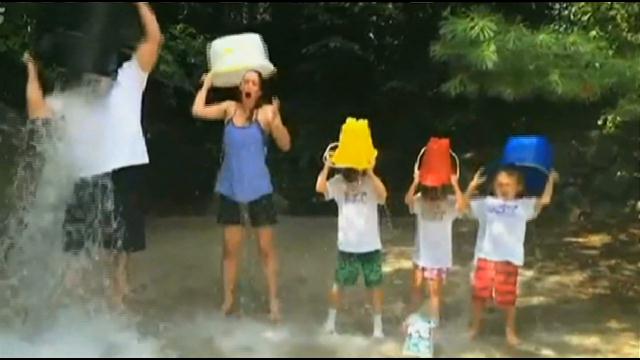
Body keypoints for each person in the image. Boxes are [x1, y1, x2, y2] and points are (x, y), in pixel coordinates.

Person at [24, 2, 163, 307]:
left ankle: (119, 289)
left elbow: (154, 39)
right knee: (74, 242)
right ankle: (75, 291)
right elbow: (37, 113)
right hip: (85, 173)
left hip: (125, 165)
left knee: (122, 242)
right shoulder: (69, 95)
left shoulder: (130, 76)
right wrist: (32, 71)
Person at [191, 69, 291, 321]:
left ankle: (274, 302)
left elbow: (286, 144)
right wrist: (207, 85)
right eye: (245, 81)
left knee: (266, 250)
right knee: (230, 251)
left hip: (260, 190)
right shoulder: (228, 109)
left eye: (253, 83)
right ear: (241, 88)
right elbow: (197, 111)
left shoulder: (267, 113)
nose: (248, 85)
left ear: (258, 90)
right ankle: (229, 300)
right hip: (230, 189)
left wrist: (277, 122)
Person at [462, 166, 559, 346]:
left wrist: (550, 179)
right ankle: (475, 327)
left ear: (518, 188)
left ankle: (510, 331)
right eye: (499, 184)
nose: (503, 188)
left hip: (509, 258)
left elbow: (544, 200)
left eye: (508, 185)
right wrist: (472, 186)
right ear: (493, 186)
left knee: (508, 298)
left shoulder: (524, 205)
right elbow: (462, 206)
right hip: (486, 256)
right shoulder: (487, 203)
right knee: (479, 295)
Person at [316, 166, 388, 338]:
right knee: (339, 284)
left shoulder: (371, 182)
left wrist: (370, 171)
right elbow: (320, 188)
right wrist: (327, 166)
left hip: (370, 245)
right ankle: (330, 322)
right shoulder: (338, 182)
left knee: (375, 286)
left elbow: (383, 195)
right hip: (347, 245)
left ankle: (378, 328)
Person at [404, 171, 465, 325]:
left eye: (437, 188)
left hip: (438, 257)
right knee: (416, 288)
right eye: (430, 188)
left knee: (434, 292)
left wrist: (455, 184)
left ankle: (434, 322)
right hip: (421, 254)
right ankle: (411, 319)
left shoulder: (450, 202)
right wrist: (415, 181)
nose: (433, 192)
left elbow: (463, 206)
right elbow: (407, 200)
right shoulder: (419, 200)